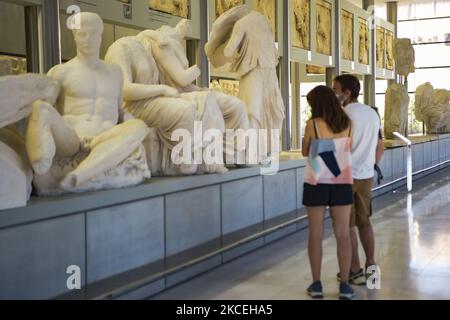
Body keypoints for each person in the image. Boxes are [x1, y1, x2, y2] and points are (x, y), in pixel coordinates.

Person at [302, 85, 354, 300]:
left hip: (316, 182)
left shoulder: (312, 124)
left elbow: (306, 151)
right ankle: (345, 285)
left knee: (316, 233)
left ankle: (316, 284)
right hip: (342, 181)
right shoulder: (348, 124)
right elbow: (350, 148)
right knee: (343, 234)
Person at [332, 74, 384, 285]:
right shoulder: (372, 114)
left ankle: (354, 270)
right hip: (366, 175)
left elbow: (338, 149)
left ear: (347, 93)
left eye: (335, 89)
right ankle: (371, 267)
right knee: (365, 223)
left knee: (347, 226)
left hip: (346, 177)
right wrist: (372, 166)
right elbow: (380, 147)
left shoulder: (342, 115)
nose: (333, 93)